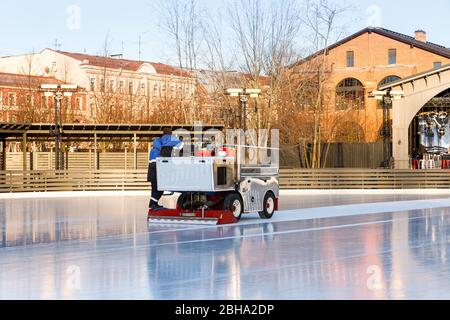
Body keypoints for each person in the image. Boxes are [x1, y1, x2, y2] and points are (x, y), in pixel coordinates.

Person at [147, 127, 181, 210]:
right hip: (160, 165)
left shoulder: (157, 141)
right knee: (160, 186)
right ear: (170, 133)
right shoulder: (171, 139)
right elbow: (181, 145)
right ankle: (153, 204)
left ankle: (153, 203)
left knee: (155, 186)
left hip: (152, 166)